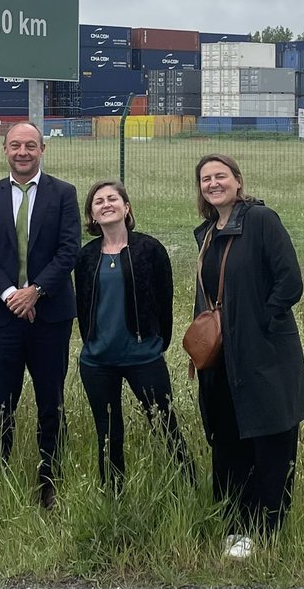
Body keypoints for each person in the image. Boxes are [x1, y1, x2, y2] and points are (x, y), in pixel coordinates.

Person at [191, 153, 304, 561]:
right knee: (228, 442)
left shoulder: (261, 222)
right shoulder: (208, 232)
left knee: (271, 442)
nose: (213, 183)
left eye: (220, 176)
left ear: (238, 182)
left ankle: (268, 530)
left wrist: (259, 324)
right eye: (206, 179)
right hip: (222, 359)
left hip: (265, 357)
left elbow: (290, 283)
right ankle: (235, 526)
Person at [0, 121, 80, 508]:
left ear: (42, 150)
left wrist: (35, 292)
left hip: (50, 315)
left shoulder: (63, 194)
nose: (23, 152)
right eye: (15, 145)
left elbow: (69, 251)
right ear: (4, 150)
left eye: (30, 146)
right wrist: (11, 294)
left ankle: (50, 481)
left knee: (52, 400)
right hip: (3, 316)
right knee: (1, 400)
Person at [75, 179, 193, 490]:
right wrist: (90, 342)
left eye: (112, 198)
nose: (106, 204)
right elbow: (82, 302)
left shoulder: (149, 249)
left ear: (126, 207)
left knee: (165, 425)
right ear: (92, 215)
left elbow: (164, 301)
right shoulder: (86, 257)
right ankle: (114, 495)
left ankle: (188, 485)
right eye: (98, 202)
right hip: (97, 361)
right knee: (108, 432)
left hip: (143, 357)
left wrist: (156, 343)